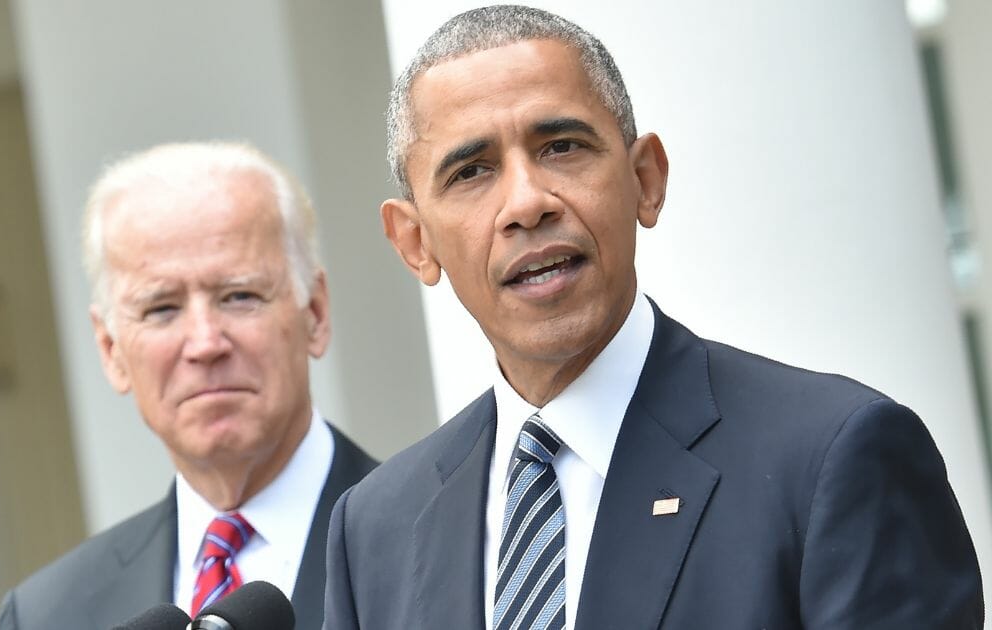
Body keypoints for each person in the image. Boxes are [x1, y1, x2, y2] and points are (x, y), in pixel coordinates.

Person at [323, 5, 982, 629]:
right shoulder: (375, 527)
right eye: (471, 172)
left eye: (561, 147)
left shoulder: (833, 459)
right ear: (415, 243)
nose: (527, 202)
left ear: (646, 178)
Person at [0, 142, 376, 630]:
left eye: (239, 296)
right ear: (111, 349)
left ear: (315, 314)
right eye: (161, 309)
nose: (204, 343)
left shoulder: (440, 534)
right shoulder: (47, 615)